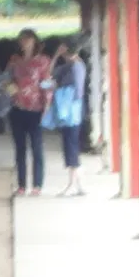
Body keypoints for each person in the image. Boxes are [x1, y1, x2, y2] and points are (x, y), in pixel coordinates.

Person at [4, 29, 52, 197]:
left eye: (27, 39)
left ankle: (37, 184)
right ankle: (22, 184)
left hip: (35, 109)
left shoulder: (43, 61)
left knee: (36, 147)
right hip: (17, 108)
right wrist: (13, 92)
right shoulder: (15, 61)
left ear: (34, 41)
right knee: (20, 149)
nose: (24, 42)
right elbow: (6, 80)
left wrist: (47, 104)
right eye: (22, 39)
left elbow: (46, 83)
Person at [48, 40, 87, 196]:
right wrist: (57, 56)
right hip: (71, 112)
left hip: (70, 112)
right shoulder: (72, 65)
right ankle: (78, 184)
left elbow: (77, 91)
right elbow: (51, 73)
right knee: (72, 146)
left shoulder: (75, 67)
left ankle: (73, 184)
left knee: (71, 147)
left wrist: (56, 55)